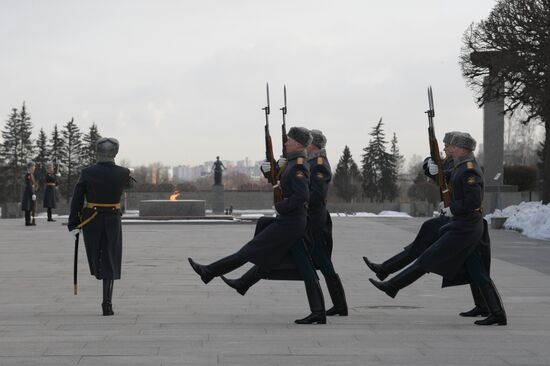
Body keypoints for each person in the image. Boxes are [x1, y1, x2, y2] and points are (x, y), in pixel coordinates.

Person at [189, 127, 327, 324]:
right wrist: (271, 171)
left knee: (249, 251)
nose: (286, 143)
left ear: (298, 143)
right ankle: (318, 311)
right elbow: (278, 179)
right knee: (304, 266)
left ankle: (209, 271)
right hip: (292, 222)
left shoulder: (298, 165)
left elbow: (302, 196)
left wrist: (282, 204)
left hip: (290, 223)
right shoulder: (293, 162)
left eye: (289, 140)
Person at [369, 132, 506, 326]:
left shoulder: (468, 170)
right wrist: (430, 168)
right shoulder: (459, 166)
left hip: (465, 226)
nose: (445, 149)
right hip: (464, 224)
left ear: (460, 148)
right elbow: (442, 175)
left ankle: (392, 285)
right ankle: (494, 311)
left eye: (449, 146)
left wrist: (452, 209)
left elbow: (473, 201)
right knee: (476, 269)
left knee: (429, 257)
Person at [221, 129, 348, 317]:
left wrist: (293, 200)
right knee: (299, 255)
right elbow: (287, 181)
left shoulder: (319, 164)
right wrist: (273, 173)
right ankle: (336, 306)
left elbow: (316, 194)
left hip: (312, 219)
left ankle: (331, 307)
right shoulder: (306, 161)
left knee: (303, 256)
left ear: (314, 146)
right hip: (303, 217)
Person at [68, 138, 133, 316]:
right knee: (110, 258)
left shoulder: (87, 172)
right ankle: (107, 302)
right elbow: (131, 185)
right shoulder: (124, 172)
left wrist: (73, 221)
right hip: (112, 219)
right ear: (116, 152)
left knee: (97, 256)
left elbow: (77, 198)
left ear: (97, 152)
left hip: (92, 220)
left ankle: (106, 299)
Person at [21, 162, 37, 226]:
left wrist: (35, 188)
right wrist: (32, 193)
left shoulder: (31, 175)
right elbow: (29, 185)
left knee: (30, 207)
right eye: (33, 166)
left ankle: (29, 221)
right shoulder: (28, 175)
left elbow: (33, 185)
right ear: (30, 167)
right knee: (27, 207)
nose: (34, 167)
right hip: (28, 193)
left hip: (30, 192)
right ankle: (27, 222)